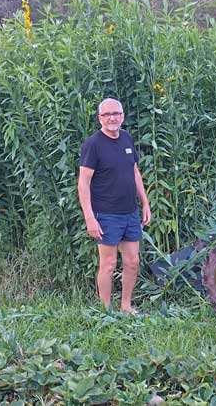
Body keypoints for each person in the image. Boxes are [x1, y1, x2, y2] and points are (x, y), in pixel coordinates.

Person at [78, 98, 152, 313]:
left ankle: (126, 306)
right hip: (106, 214)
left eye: (116, 113)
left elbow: (135, 172)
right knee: (108, 265)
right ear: (100, 118)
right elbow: (83, 183)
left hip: (130, 212)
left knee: (132, 262)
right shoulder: (93, 145)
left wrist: (145, 203)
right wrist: (90, 217)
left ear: (122, 116)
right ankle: (105, 310)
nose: (112, 118)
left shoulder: (127, 138)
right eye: (107, 114)